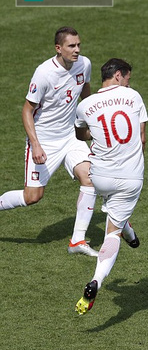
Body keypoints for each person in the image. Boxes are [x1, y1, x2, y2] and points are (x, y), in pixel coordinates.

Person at [0, 26, 98, 256]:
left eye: (78, 45)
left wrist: (94, 120)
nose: (77, 50)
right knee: (32, 197)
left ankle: (77, 241)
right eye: (71, 46)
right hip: (45, 142)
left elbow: (85, 92)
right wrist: (35, 144)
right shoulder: (44, 73)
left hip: (71, 137)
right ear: (58, 48)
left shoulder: (84, 64)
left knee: (90, 178)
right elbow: (27, 110)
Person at [74, 58, 147, 315]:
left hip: (100, 176)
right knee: (111, 233)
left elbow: (80, 134)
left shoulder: (85, 105)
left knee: (116, 211)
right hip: (130, 177)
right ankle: (97, 280)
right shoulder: (133, 97)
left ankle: (130, 234)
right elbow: (142, 138)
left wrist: (92, 133)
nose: (129, 83)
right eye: (127, 77)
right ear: (118, 75)